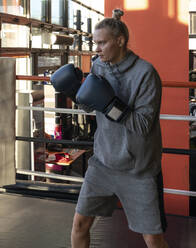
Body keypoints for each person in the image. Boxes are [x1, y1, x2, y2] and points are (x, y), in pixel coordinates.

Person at [51, 9, 169, 248]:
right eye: (95, 43)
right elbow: (90, 107)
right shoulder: (99, 67)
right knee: (79, 225)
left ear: (120, 41)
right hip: (103, 163)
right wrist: (76, 94)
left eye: (102, 43)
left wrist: (109, 105)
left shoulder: (145, 74)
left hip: (139, 170)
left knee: (153, 239)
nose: (96, 49)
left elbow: (143, 125)